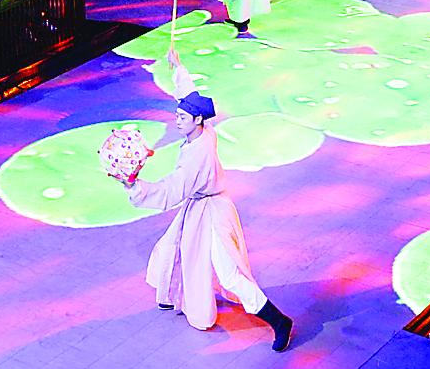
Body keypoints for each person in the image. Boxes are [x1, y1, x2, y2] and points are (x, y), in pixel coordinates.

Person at [113, 50, 294, 349]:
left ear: (197, 119)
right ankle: (172, 295)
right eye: (177, 115)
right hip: (200, 207)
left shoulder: (197, 156)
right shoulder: (204, 130)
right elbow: (189, 95)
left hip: (213, 213)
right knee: (171, 247)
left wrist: (134, 185)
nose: (177, 121)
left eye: (182, 118)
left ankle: (279, 320)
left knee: (229, 274)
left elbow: (172, 190)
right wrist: (178, 68)